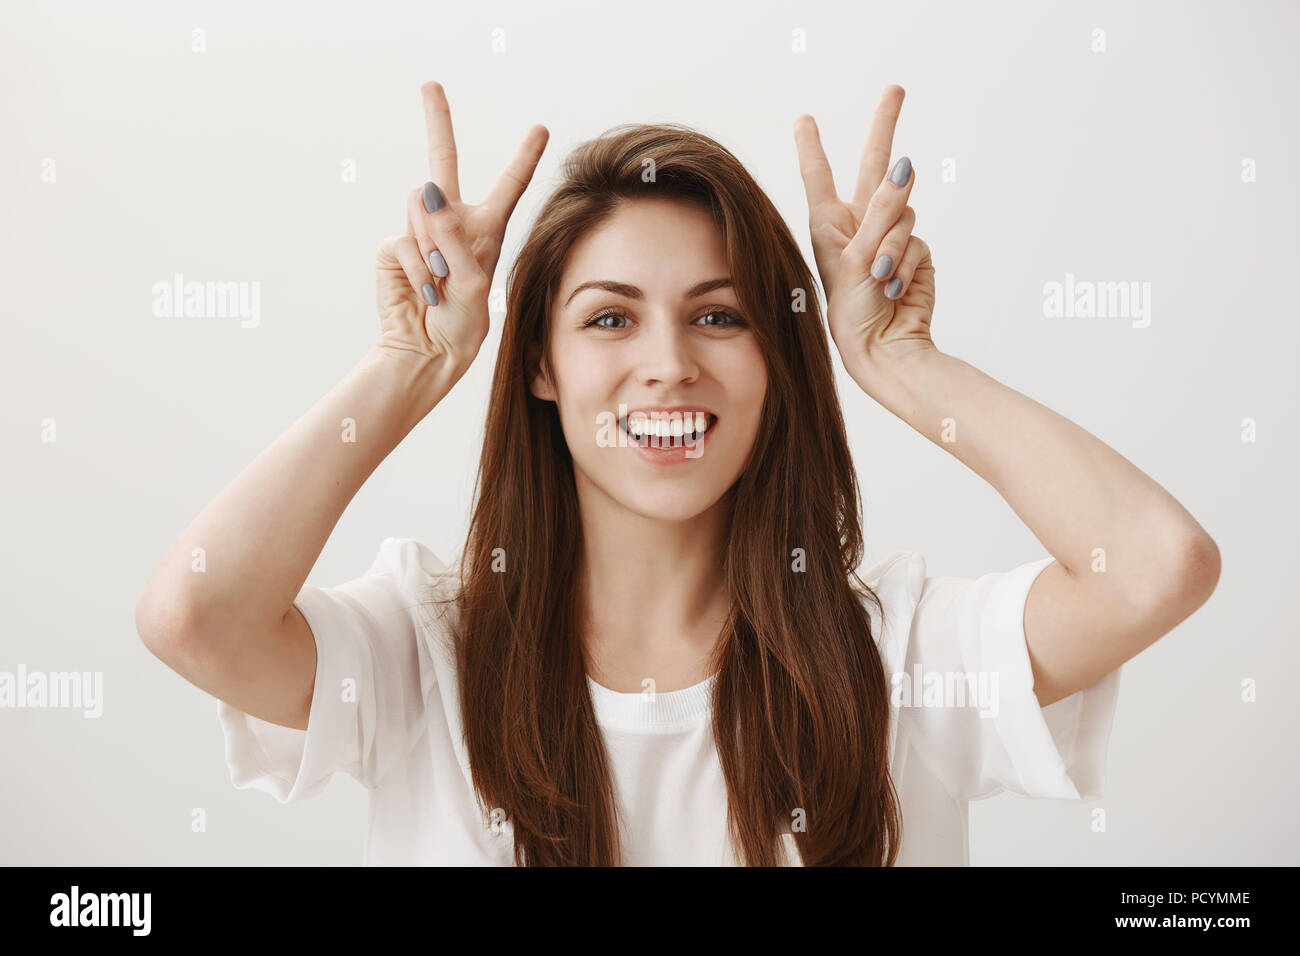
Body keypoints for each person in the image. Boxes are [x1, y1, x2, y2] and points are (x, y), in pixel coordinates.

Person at [135, 81, 1220, 866]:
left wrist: (900, 361)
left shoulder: (902, 653)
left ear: (776, 357)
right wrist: (411, 365)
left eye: (718, 314)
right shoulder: (423, 653)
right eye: (609, 317)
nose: (668, 362)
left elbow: (1155, 564)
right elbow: (194, 612)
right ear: (540, 368)